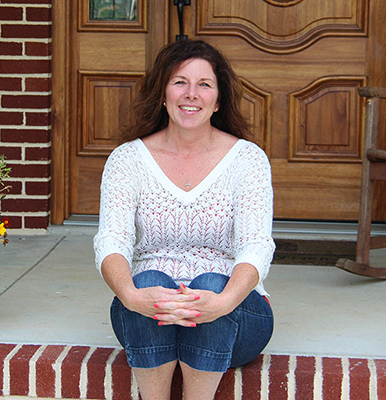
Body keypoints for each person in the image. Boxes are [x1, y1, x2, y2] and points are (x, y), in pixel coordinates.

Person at [93, 39, 275, 400]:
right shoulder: (127, 160)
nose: (191, 94)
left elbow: (256, 247)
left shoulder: (247, 160)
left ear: (218, 100)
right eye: (180, 82)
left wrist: (221, 302)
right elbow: (111, 241)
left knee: (210, 282)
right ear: (163, 93)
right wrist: (131, 294)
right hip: (147, 312)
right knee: (146, 278)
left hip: (235, 312)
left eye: (204, 84)